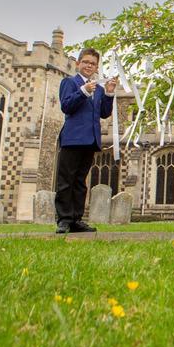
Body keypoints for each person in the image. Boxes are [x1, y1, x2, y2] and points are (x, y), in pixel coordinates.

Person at [54, 48, 117, 234]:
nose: (89, 66)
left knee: (80, 182)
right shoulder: (70, 82)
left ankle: (76, 219)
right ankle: (64, 219)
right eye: (86, 62)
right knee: (66, 181)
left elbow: (104, 112)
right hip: (72, 138)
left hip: (90, 140)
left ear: (97, 67)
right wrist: (82, 91)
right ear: (78, 64)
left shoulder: (97, 88)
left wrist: (109, 94)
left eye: (93, 63)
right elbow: (66, 106)